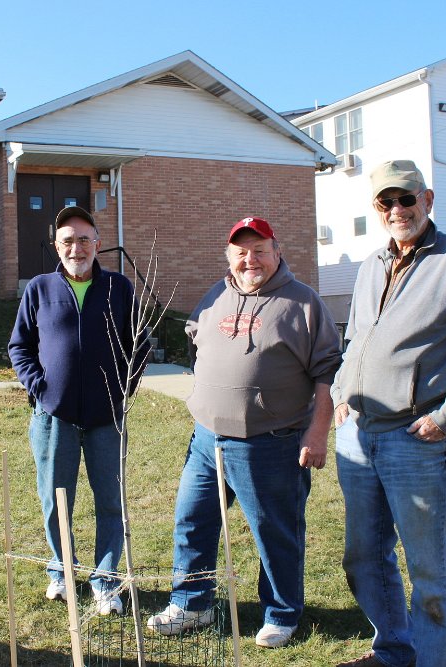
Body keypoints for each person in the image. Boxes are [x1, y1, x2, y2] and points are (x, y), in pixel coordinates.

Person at [332, 160, 446, 667]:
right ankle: (393, 650)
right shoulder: (370, 265)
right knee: (364, 559)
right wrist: (342, 392)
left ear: (427, 200)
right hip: (358, 436)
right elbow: (354, 339)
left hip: (418, 440)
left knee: (429, 569)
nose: (397, 210)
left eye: (406, 199)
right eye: (386, 202)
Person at [147, 216, 342, 649]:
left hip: (270, 442)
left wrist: (317, 433)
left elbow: (328, 373)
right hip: (206, 440)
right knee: (192, 522)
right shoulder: (217, 294)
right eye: (241, 252)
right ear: (229, 257)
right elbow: (195, 336)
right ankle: (192, 603)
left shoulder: (303, 303)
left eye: (259, 250)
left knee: (274, 533)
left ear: (277, 252)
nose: (250, 259)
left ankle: (281, 614)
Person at [8, 205, 148, 616]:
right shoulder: (39, 288)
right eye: (68, 240)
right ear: (57, 246)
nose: (77, 248)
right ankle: (62, 572)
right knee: (56, 500)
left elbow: (140, 343)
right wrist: (40, 387)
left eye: (84, 239)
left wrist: (122, 389)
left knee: (110, 501)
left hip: (107, 419)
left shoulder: (119, 288)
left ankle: (106, 580)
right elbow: (19, 346)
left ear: (97, 244)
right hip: (54, 417)